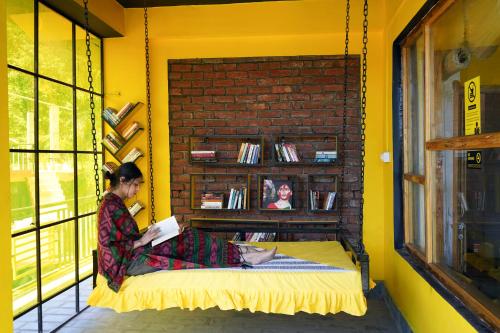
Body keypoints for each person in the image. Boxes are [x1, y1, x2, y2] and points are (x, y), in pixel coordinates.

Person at [98, 162, 276, 292]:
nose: (137, 190)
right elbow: (109, 246)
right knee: (186, 241)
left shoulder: (115, 203)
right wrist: (143, 240)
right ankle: (244, 257)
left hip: (135, 253)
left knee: (184, 234)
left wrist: (152, 233)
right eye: (135, 184)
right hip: (128, 263)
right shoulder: (109, 206)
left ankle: (240, 252)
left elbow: (126, 237)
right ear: (122, 181)